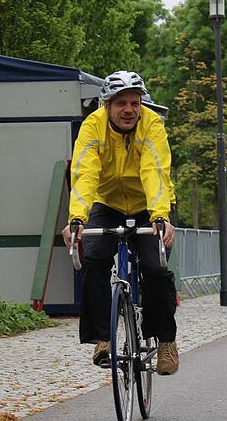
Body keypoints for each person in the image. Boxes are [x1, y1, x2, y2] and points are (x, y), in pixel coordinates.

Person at [62, 71, 179, 375]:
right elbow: (85, 173)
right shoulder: (93, 127)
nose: (129, 110)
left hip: (149, 205)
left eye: (135, 103)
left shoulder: (152, 124)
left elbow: (154, 170)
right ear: (107, 105)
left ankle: (166, 340)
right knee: (95, 259)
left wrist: (160, 216)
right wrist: (77, 218)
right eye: (121, 103)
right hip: (107, 202)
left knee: (156, 268)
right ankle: (103, 338)